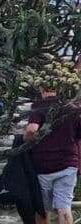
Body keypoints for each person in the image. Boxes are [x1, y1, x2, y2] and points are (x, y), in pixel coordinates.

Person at [24, 81, 81, 224]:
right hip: (68, 164)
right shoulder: (71, 108)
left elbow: (31, 130)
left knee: (42, 208)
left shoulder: (39, 107)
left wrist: (25, 139)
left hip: (44, 166)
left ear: (41, 89)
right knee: (64, 207)